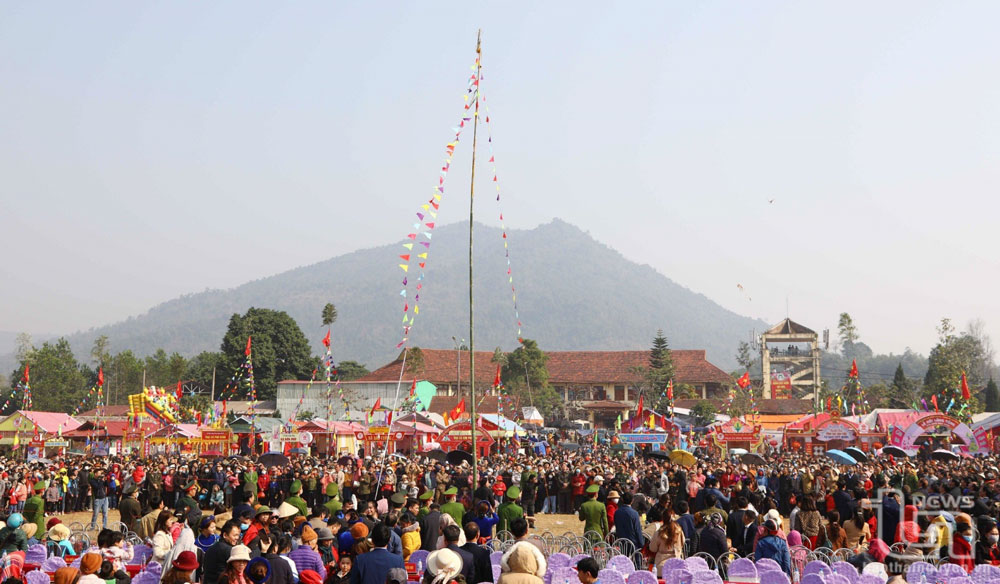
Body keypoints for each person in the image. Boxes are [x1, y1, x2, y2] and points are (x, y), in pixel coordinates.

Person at [649, 507, 684, 573]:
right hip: (677, 565)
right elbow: (683, 543)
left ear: (663, 519)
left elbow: (652, 548)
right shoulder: (679, 532)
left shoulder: (659, 533)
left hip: (661, 566)